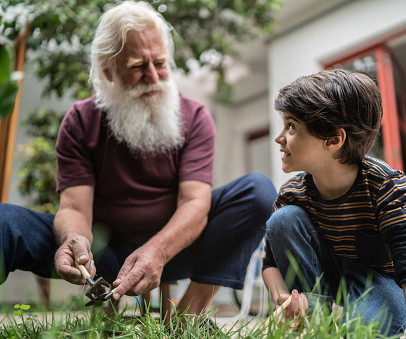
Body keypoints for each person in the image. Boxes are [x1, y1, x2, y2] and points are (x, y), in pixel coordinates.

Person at [0, 0, 277, 323]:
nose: (153, 76)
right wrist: (75, 240)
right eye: (136, 66)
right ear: (108, 71)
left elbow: (195, 202)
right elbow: (74, 207)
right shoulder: (80, 120)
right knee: (5, 221)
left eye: (159, 63)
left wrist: (156, 251)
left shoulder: (195, 116)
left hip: (174, 249)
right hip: (102, 251)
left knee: (258, 191)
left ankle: (188, 313)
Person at [262, 69, 406, 338]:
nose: (280, 137)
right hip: (322, 285)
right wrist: (286, 300)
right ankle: (316, 314)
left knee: (357, 330)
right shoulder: (292, 192)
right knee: (283, 219)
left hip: (378, 286)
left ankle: (341, 320)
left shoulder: (385, 185)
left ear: (333, 139)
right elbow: (270, 262)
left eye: (292, 126)